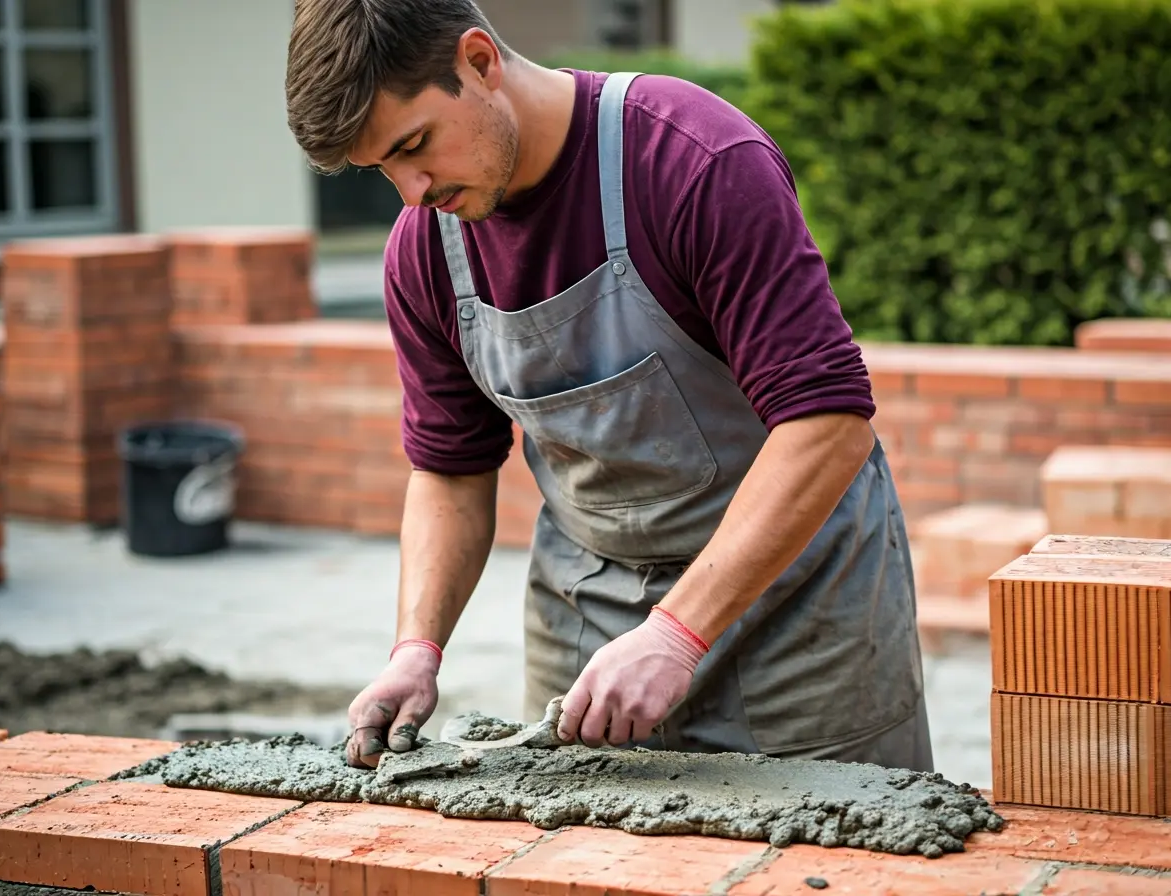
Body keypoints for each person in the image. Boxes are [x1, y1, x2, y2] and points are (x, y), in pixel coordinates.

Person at [284, 0, 932, 772]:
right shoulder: (424, 253)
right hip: (589, 613)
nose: (411, 190)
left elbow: (827, 424)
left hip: (802, 615)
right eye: (381, 168)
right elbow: (451, 472)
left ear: (480, 62)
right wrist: (417, 647)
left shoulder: (693, 162)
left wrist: (675, 633)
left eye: (415, 144)